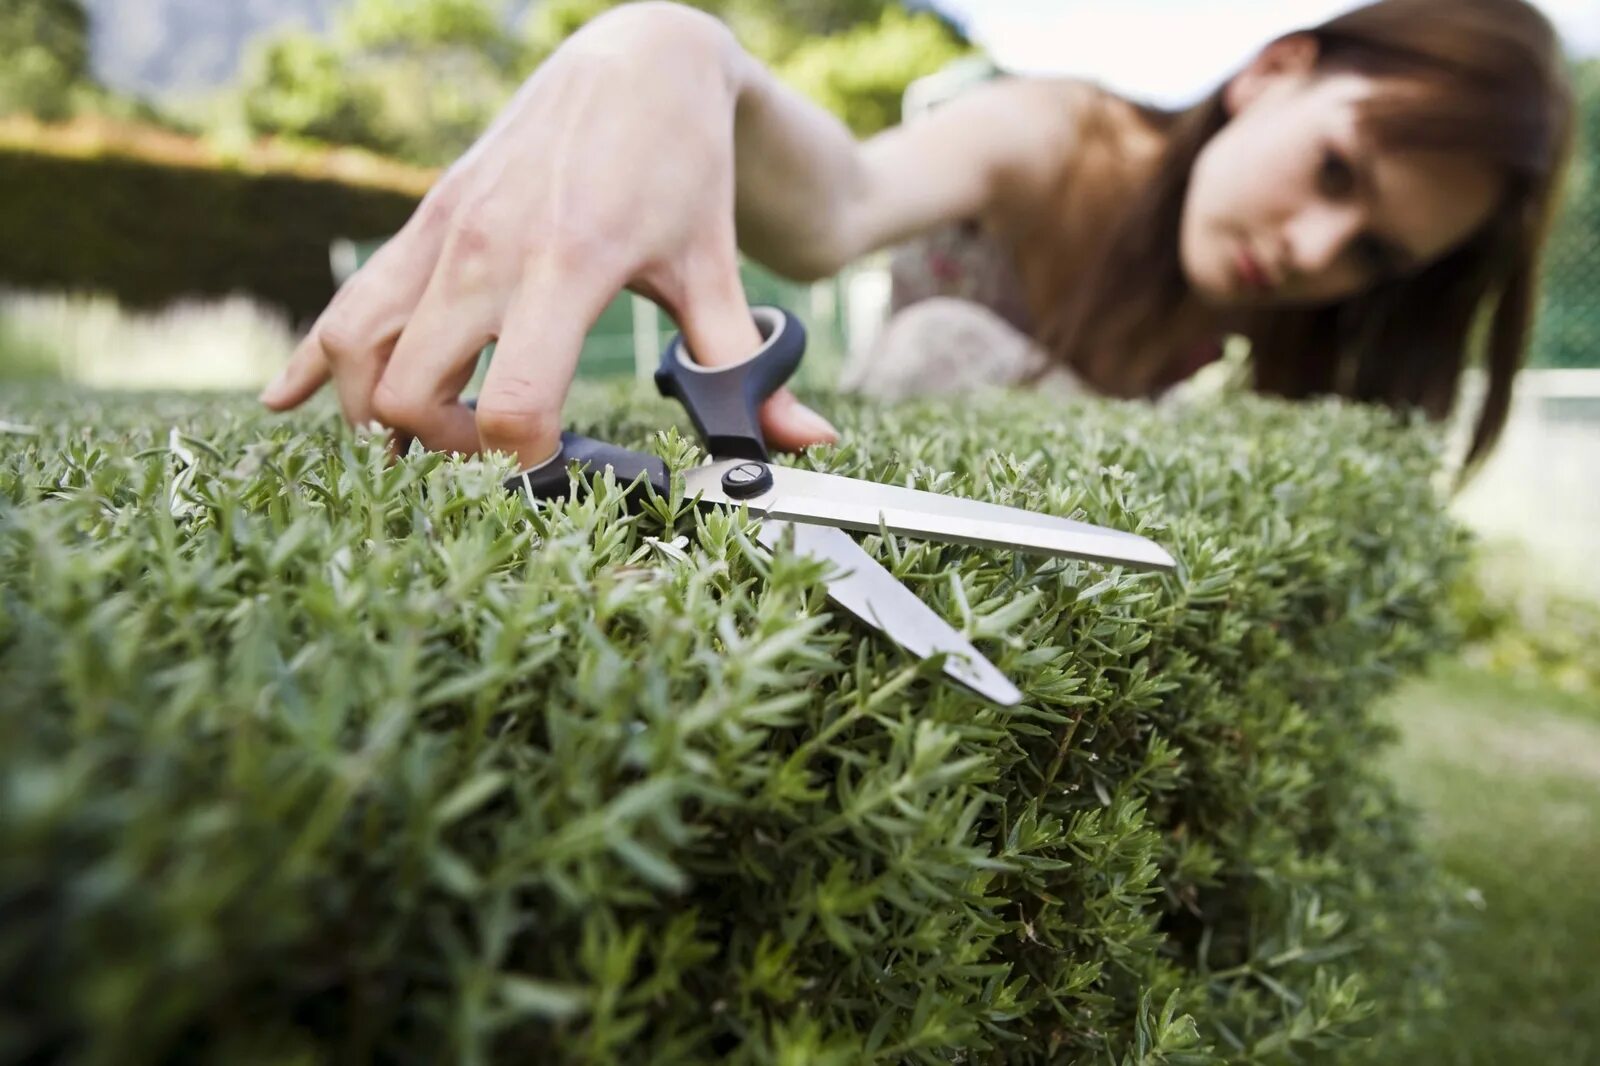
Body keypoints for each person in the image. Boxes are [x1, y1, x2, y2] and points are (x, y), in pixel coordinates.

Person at [256, 0, 1573, 477]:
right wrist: (667, 49)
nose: (1310, 248)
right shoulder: (1050, 136)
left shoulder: (1288, 314)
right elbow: (832, 207)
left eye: (1373, 255)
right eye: (1337, 168)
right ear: (1275, 67)